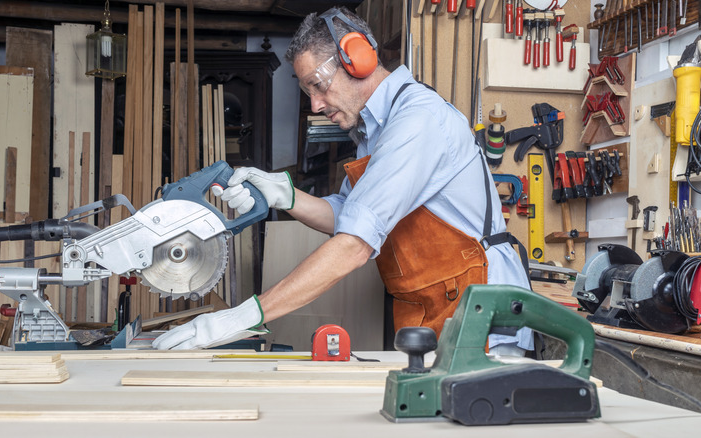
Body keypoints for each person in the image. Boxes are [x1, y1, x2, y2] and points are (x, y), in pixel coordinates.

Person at [152, 6, 533, 354]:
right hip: (434, 305)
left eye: (318, 84)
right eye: (307, 91)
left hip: (482, 309)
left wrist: (241, 317)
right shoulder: (373, 132)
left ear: (359, 58)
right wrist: (285, 196)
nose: (315, 104)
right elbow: (348, 215)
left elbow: (354, 244)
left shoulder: (418, 121)